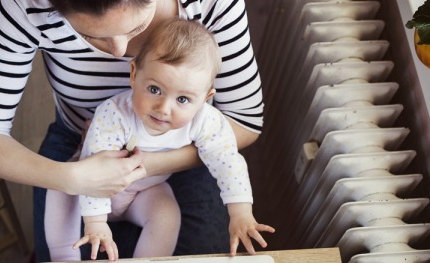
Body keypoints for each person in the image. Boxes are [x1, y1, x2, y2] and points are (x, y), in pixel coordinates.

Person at [0, 0, 265, 261]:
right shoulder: (26, 9)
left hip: (182, 153)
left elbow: (242, 125)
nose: (120, 52)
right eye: (90, 35)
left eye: (136, 29)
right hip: (77, 150)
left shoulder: (211, 7)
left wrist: (142, 165)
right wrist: (73, 178)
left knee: (194, 244)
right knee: (64, 241)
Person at [43, 18, 273, 261]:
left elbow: (228, 163)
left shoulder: (207, 121)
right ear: (134, 74)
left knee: (166, 214)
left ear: (205, 99)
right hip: (90, 185)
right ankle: (63, 257)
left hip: (143, 191)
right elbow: (94, 167)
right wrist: (96, 222)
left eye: (182, 100)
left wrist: (240, 213)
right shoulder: (114, 113)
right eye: (154, 90)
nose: (163, 108)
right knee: (59, 189)